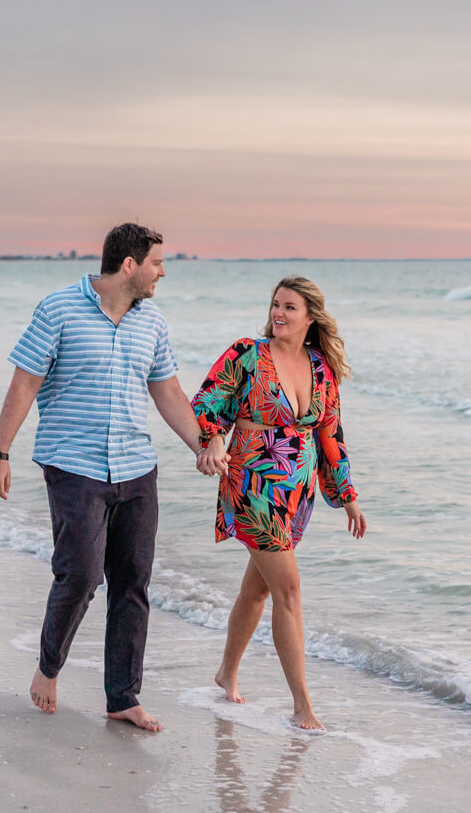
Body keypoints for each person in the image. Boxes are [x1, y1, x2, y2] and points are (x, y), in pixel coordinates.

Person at [0, 222, 223, 732]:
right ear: (130, 265)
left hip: (137, 468)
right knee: (81, 574)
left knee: (133, 585)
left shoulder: (152, 321)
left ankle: (122, 697)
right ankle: (49, 669)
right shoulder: (58, 308)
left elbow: (169, 395)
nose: (163, 271)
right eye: (157, 262)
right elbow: (25, 383)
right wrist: (0, 453)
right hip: (73, 464)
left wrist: (204, 447)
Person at [192, 276, 365, 730]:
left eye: (289, 307)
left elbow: (330, 434)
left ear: (311, 317)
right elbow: (207, 403)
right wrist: (211, 442)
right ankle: (303, 705)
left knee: (260, 587)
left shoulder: (321, 365)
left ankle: (226, 672)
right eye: (275, 304)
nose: (279, 313)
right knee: (288, 588)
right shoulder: (248, 353)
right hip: (251, 483)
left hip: (297, 492)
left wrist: (347, 497)